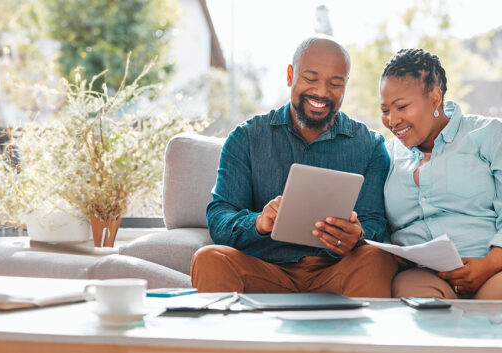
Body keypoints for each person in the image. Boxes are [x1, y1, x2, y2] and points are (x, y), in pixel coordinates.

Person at [191, 37, 398, 298]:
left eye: (335, 84)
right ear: (290, 76)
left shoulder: (369, 145)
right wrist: (257, 222)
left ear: (345, 86)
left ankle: (350, 340)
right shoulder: (246, 137)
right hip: (264, 269)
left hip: (336, 270)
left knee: (377, 257)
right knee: (209, 258)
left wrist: (357, 236)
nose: (322, 92)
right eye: (311, 79)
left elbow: (375, 222)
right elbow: (220, 215)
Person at [380, 48, 502, 299]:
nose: (392, 120)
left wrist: (488, 265)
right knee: (425, 314)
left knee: (493, 310)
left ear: (435, 97)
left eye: (401, 106)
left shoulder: (488, 135)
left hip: (492, 266)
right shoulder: (387, 155)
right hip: (422, 273)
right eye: (384, 110)